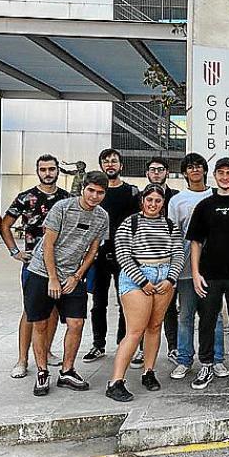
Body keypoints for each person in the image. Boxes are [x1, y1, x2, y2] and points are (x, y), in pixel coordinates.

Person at [24, 171, 109, 396]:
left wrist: (77, 276)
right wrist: (53, 278)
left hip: (72, 275)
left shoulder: (102, 217)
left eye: (100, 192)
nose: (94, 196)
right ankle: (42, 372)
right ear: (83, 189)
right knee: (40, 324)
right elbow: (48, 244)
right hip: (42, 272)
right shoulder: (62, 208)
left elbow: (93, 250)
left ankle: (67, 371)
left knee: (76, 323)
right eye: (91, 190)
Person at [105, 184, 184, 401]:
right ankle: (116, 381)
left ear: (163, 203)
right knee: (135, 330)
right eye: (149, 200)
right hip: (137, 277)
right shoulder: (129, 223)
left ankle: (148, 371)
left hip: (164, 276)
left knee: (155, 326)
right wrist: (142, 281)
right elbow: (122, 255)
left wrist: (170, 278)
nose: (153, 204)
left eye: (158, 200)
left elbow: (178, 253)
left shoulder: (170, 225)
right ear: (142, 201)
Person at [0, 154, 71, 378]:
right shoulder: (25, 197)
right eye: (43, 169)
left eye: (51, 169)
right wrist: (15, 251)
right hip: (33, 264)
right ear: (37, 171)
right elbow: (5, 225)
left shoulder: (67, 199)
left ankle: (46, 351)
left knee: (53, 310)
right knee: (30, 311)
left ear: (58, 170)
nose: (47, 173)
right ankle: (22, 359)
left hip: (59, 265)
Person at [187, 157, 229, 391]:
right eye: (221, 173)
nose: (225, 177)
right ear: (214, 175)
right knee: (206, 322)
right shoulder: (205, 206)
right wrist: (196, 273)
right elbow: (196, 242)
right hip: (209, 275)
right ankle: (206, 365)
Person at [168, 153, 227, 380]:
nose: (195, 170)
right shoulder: (177, 200)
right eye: (190, 167)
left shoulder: (216, 195)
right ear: (184, 172)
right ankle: (184, 360)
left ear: (204, 170)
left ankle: (217, 359)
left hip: (213, 268)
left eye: (199, 166)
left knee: (214, 316)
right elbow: (173, 236)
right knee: (185, 316)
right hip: (185, 269)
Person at [82, 149, 138, 364]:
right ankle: (98, 344)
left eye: (114, 161)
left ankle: (124, 343)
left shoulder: (132, 192)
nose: (110, 165)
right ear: (101, 166)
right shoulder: (95, 194)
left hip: (125, 256)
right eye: (106, 161)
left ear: (121, 165)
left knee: (126, 302)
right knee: (98, 303)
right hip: (98, 256)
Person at [142, 157, 180, 364]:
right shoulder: (139, 197)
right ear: (147, 173)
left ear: (167, 172)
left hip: (168, 261)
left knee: (169, 308)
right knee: (143, 308)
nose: (156, 173)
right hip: (144, 263)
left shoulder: (176, 196)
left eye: (160, 169)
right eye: (152, 169)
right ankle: (141, 349)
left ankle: (173, 347)